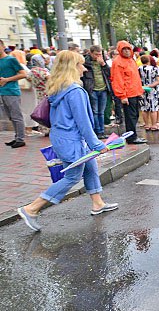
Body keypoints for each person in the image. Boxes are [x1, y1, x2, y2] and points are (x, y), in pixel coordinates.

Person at [17, 51, 119, 232]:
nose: (84, 69)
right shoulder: (75, 91)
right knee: (72, 176)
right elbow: (83, 122)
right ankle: (31, 209)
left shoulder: (58, 87)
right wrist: (97, 145)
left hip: (62, 137)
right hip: (71, 140)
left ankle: (98, 203)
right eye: (80, 65)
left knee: (90, 167)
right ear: (72, 68)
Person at [110, 41, 147, 144]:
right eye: (124, 49)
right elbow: (117, 80)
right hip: (127, 94)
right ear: (120, 50)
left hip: (134, 93)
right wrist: (122, 96)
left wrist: (139, 91)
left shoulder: (131, 60)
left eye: (128, 49)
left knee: (134, 116)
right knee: (130, 117)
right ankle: (131, 138)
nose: (126, 51)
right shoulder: (118, 62)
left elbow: (135, 77)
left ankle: (133, 136)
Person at [0, 38, 28, 148]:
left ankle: (21, 139)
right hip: (2, 92)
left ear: (3, 46)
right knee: (10, 116)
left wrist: (7, 79)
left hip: (11, 91)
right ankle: (17, 137)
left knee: (16, 116)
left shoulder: (11, 60)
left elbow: (23, 74)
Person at [84, 45, 111, 139]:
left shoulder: (102, 62)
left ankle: (102, 131)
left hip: (103, 89)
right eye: (96, 54)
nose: (98, 56)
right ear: (90, 53)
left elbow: (109, 73)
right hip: (92, 89)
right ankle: (97, 131)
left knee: (101, 112)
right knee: (94, 111)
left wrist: (103, 64)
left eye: (100, 54)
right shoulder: (85, 63)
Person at [138, 55, 159, 131]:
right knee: (153, 108)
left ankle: (147, 125)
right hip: (153, 91)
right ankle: (154, 125)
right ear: (149, 60)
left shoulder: (138, 69)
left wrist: (143, 86)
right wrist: (150, 85)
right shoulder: (154, 69)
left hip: (142, 89)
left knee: (144, 108)